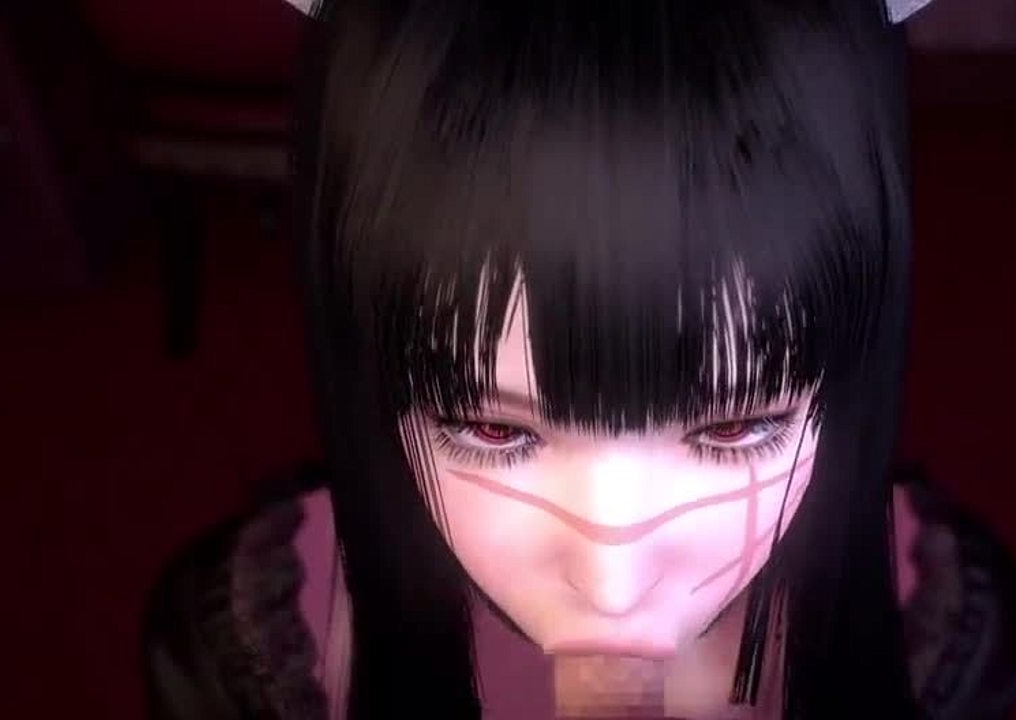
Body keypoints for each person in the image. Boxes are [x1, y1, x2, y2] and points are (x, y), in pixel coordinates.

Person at [143, 1, 1016, 717]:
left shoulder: (950, 645)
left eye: (736, 428)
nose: (612, 582)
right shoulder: (248, 661)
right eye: (492, 429)